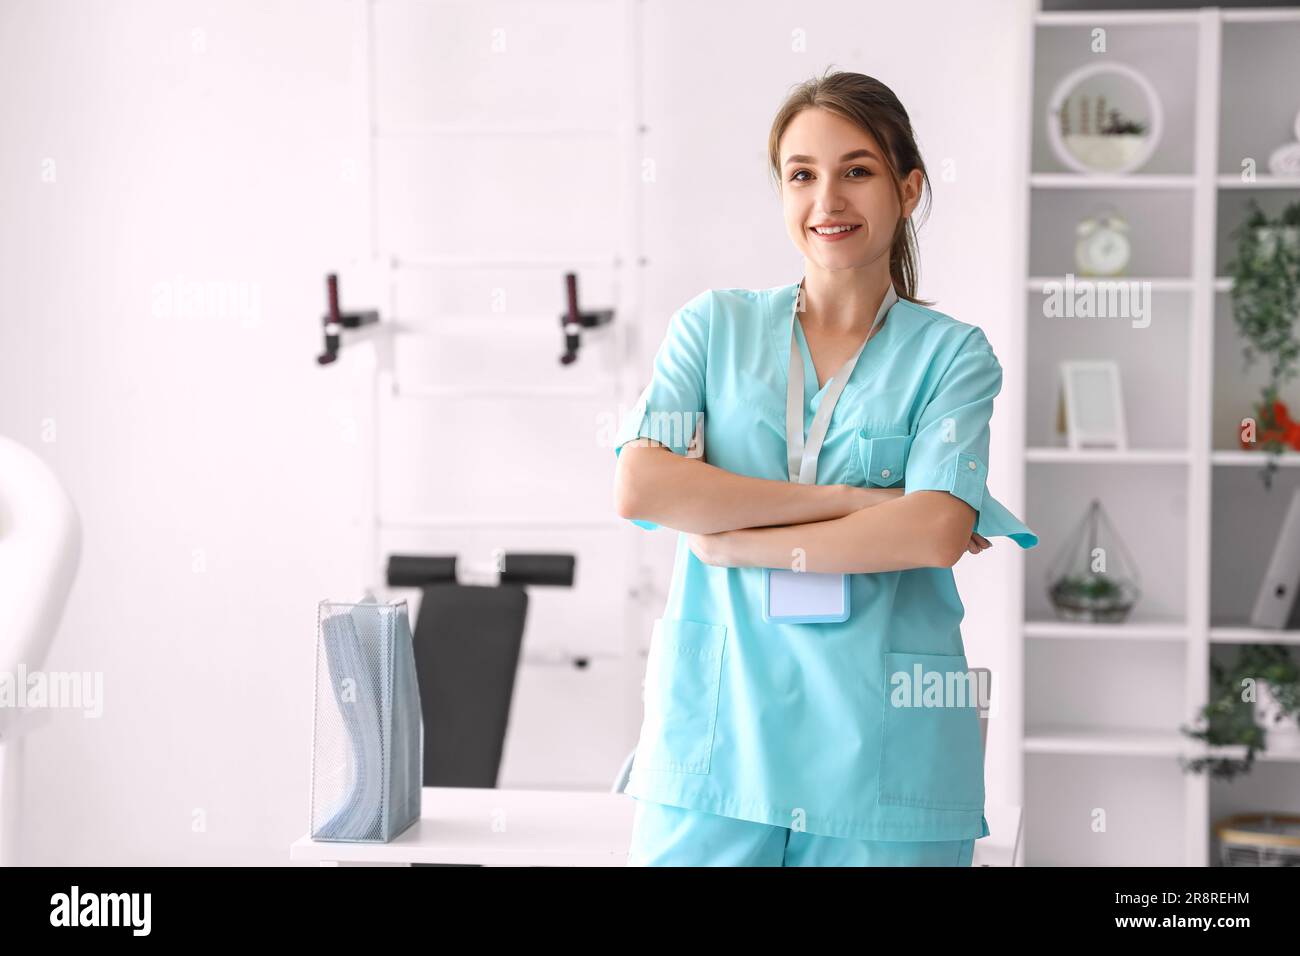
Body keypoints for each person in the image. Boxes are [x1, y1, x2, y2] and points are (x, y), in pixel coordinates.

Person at [611, 68, 1039, 866]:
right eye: (802, 175)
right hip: (718, 745)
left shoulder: (953, 357)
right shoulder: (712, 329)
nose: (827, 200)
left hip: (879, 757)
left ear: (908, 190)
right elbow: (644, 485)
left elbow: (936, 530)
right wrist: (854, 502)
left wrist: (733, 535)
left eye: (858, 171)